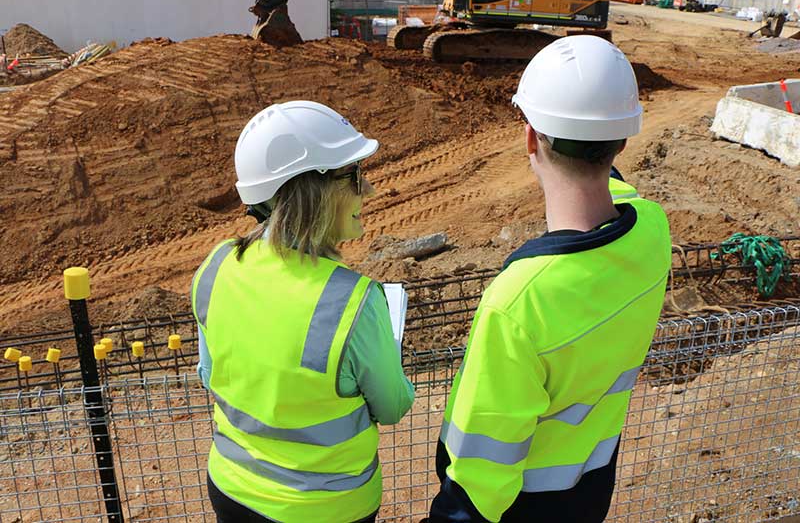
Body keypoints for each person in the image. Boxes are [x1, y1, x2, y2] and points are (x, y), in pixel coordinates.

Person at [426, 36, 672, 522]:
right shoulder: (652, 232)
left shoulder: (518, 303)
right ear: (622, 141)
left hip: (523, 510)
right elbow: (620, 191)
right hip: (592, 487)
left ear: (530, 138)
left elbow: (476, 484)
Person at [191, 100, 415, 523]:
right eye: (354, 176)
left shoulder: (216, 267)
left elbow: (210, 374)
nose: (368, 190)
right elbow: (392, 407)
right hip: (327, 510)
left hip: (231, 490)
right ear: (312, 189)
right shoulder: (355, 303)